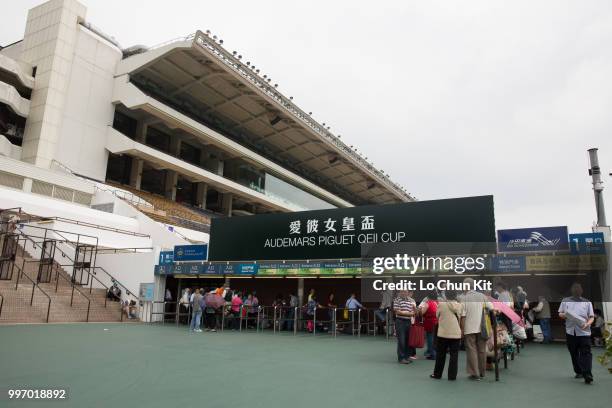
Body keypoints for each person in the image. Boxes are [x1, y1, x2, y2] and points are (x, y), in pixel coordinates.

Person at [559, 283, 595, 384]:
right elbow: (560, 313)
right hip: (570, 332)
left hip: (584, 332)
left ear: (581, 291)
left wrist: (587, 324)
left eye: (578, 289)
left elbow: (592, 317)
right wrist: (565, 315)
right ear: (572, 291)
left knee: (586, 352)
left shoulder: (587, 302)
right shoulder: (565, 301)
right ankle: (579, 371)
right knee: (573, 353)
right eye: (575, 289)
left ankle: (587, 374)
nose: (577, 291)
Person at [461, 278, 493, 381]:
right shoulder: (482, 296)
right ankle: (482, 372)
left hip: (469, 328)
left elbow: (463, 315)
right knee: (482, 350)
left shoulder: (464, 298)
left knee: (472, 350)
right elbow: (491, 307)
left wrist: (461, 329)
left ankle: (475, 373)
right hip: (482, 328)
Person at [431, 290, 463, 380]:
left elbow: (437, 316)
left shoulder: (441, 305)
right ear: (455, 295)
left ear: (446, 296)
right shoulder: (459, 306)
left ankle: (437, 374)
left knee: (440, 354)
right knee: (454, 355)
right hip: (455, 333)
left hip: (443, 333)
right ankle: (452, 376)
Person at [393, 290, 416, 364]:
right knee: (401, 341)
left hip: (408, 322)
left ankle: (406, 357)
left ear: (408, 293)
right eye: (402, 292)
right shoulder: (397, 300)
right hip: (400, 322)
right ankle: (401, 358)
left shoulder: (410, 301)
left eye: (405, 292)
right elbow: (397, 311)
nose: (403, 293)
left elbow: (413, 312)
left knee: (407, 341)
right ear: (399, 293)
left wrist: (411, 312)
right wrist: (409, 314)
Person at [419, 291, 439, 360]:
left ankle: (432, 354)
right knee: (435, 338)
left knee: (430, 338)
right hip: (437, 322)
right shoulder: (437, 303)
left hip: (430, 322)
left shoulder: (428, 303)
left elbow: (422, 313)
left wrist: (420, 310)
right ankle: (434, 352)